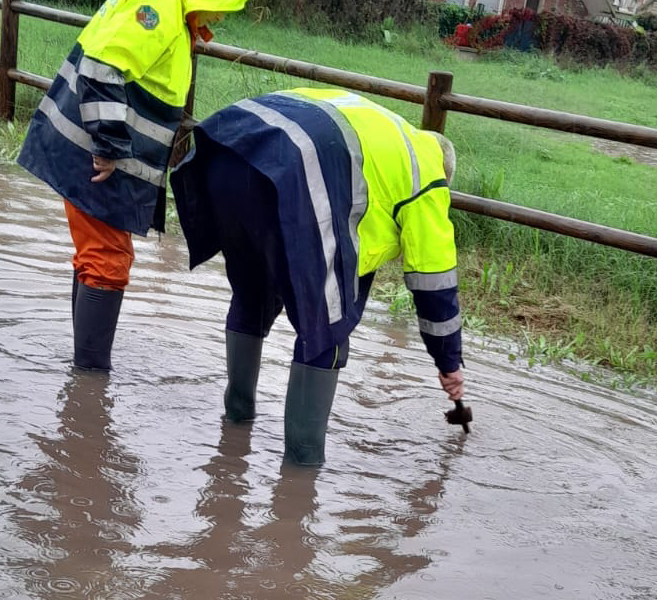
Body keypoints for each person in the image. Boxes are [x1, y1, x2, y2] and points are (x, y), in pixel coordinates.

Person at [170, 87, 465, 466]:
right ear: (445, 175)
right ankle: (301, 473)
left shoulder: (385, 128)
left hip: (228, 148)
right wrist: (449, 363)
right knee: (326, 331)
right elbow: (433, 281)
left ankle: (236, 421)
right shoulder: (427, 172)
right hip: (293, 173)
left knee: (252, 296)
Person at [18, 0, 255, 371]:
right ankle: (89, 385)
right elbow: (104, 67)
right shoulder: (160, 7)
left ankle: (82, 371)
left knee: (98, 256)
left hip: (95, 153)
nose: (223, 16)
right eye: (224, 5)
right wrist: (107, 147)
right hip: (96, 156)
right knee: (107, 260)